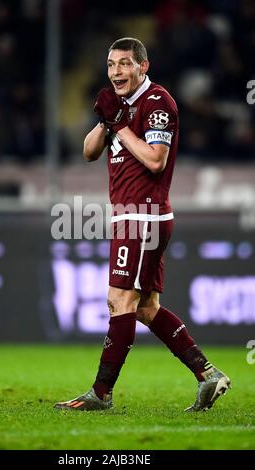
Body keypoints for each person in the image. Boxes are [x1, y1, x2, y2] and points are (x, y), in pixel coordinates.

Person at [55, 37, 231, 412]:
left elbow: (155, 160)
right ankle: (209, 375)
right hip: (131, 215)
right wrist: (108, 120)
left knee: (119, 300)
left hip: (143, 216)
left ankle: (100, 394)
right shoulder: (119, 107)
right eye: (110, 65)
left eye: (124, 64)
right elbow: (89, 152)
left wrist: (119, 125)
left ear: (142, 66)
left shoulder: (158, 103)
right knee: (147, 308)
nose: (116, 72)